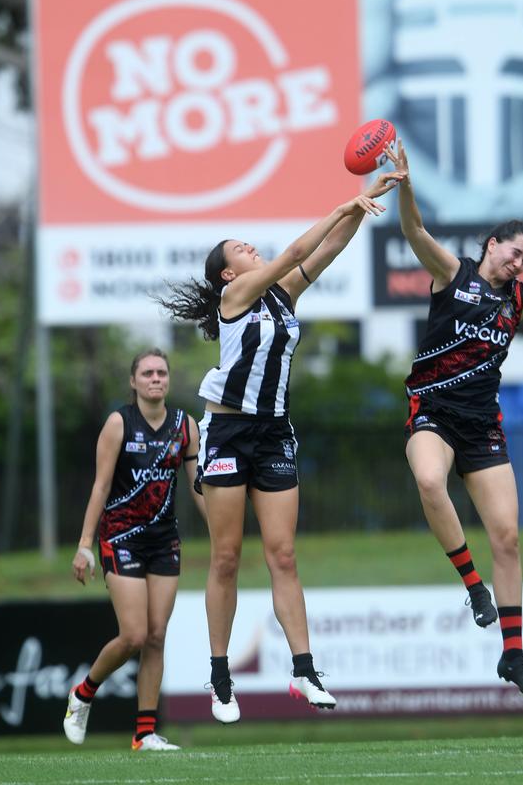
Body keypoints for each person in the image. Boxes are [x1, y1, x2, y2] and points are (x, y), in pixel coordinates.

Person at [158, 172, 404, 723]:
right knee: (225, 558)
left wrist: (363, 207)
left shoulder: (281, 292)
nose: (250, 246)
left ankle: (304, 669)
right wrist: (342, 202)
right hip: (227, 433)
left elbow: (327, 249)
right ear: (228, 272)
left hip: (273, 432)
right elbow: (298, 247)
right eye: (239, 248)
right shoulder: (236, 293)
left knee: (284, 555)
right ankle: (220, 676)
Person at [385, 139, 523, 698]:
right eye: (514, 253)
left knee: (508, 538)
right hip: (431, 412)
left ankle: (513, 655)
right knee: (430, 480)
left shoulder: (520, 298)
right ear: (492, 245)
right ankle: (472, 584)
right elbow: (415, 233)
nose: (520, 263)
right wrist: (407, 187)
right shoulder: (452, 275)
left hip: (482, 423)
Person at [63, 348, 206, 750]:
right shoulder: (118, 423)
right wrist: (84, 546)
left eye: (161, 372)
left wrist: (224, 532)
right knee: (134, 635)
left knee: (157, 637)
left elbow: (198, 487)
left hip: (164, 542)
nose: (155, 378)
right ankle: (82, 694)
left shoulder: (185, 426)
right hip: (120, 537)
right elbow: (100, 486)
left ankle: (144, 734)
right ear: (134, 381)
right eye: (147, 373)